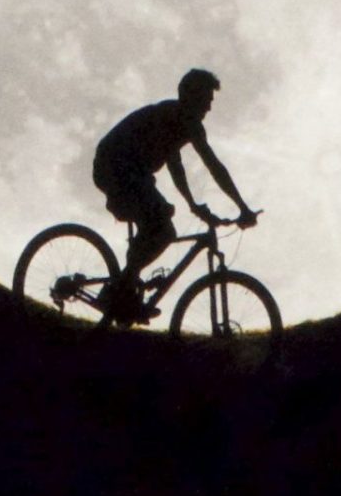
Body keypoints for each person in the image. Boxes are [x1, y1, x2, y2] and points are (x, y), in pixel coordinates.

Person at [91, 67, 256, 322]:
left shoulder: (179, 120)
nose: (209, 108)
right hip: (116, 166)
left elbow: (180, 165)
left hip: (128, 170)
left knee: (158, 223)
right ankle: (118, 291)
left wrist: (193, 205)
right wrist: (241, 207)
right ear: (191, 96)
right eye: (206, 100)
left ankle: (125, 292)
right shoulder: (173, 116)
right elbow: (208, 166)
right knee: (163, 228)